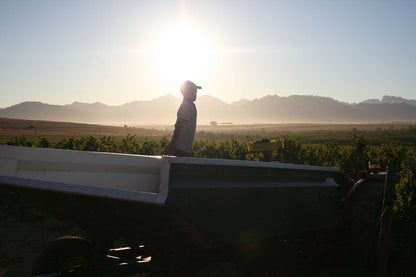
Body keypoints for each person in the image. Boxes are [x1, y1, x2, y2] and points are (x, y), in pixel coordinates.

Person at [166, 80, 201, 156]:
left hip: (183, 148)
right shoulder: (186, 106)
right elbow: (179, 125)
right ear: (187, 93)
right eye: (193, 91)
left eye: (196, 92)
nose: (195, 94)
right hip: (180, 149)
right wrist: (172, 146)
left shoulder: (190, 105)